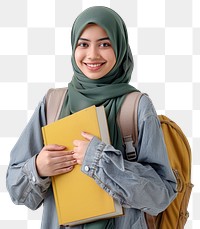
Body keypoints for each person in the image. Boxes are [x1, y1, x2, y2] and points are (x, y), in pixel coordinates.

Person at [6, 6, 177, 229]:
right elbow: (16, 191)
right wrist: (38, 168)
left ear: (120, 46)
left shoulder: (136, 106)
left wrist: (100, 162)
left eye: (105, 44)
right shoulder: (53, 103)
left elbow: (161, 197)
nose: (93, 54)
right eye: (83, 44)